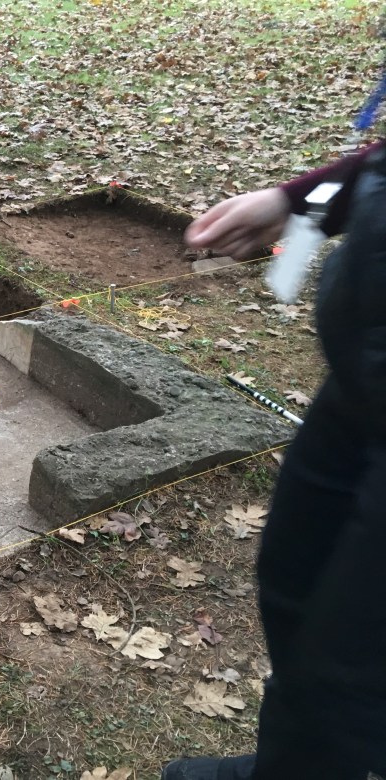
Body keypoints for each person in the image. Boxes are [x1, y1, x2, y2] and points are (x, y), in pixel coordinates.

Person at [160, 141, 386, 778]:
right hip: (364, 372)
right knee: (297, 580)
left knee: (354, 658)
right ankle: (294, 765)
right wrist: (302, 197)